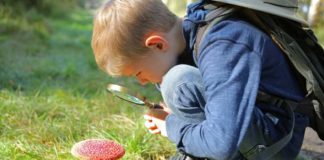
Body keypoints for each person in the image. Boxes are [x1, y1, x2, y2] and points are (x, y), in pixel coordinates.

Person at [91, 0, 310, 159]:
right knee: (177, 82)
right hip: (251, 129)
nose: (142, 82)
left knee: (179, 81)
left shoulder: (223, 44)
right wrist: (173, 114)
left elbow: (220, 144)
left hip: (276, 144)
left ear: (157, 44)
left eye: (138, 73)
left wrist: (171, 126)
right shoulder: (192, 33)